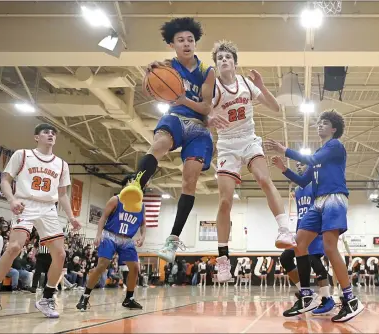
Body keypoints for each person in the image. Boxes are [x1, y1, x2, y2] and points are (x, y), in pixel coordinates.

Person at [119, 17, 216, 264]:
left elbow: (206, 107)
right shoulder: (167, 67)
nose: (186, 44)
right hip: (174, 117)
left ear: (195, 43)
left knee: (190, 179)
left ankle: (172, 240)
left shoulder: (207, 71)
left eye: (190, 40)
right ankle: (137, 186)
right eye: (181, 40)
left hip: (197, 127)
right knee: (159, 144)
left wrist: (184, 99)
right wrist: (150, 74)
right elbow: (148, 88)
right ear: (172, 44)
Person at [208, 40, 296, 282]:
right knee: (225, 201)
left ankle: (285, 231)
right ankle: (223, 259)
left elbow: (276, 107)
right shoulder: (213, 88)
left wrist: (262, 87)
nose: (224, 60)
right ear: (216, 65)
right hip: (226, 145)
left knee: (264, 179)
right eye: (220, 58)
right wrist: (210, 118)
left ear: (235, 63)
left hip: (248, 140)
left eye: (228, 57)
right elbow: (203, 117)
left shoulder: (246, 83)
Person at [266, 110, 364, 322]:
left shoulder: (334, 146)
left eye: (325, 123)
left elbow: (311, 158)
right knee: (299, 245)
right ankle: (307, 295)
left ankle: (350, 299)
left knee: (329, 248)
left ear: (334, 128)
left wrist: (285, 150)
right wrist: (285, 170)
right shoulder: (320, 153)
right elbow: (303, 181)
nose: (320, 126)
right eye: (318, 123)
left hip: (334, 198)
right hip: (318, 202)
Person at [0, 123, 81, 320]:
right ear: (36, 137)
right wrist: (12, 199)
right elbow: (4, 179)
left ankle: (47, 298)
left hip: (49, 208)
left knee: (61, 254)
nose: (50, 135)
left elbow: (62, 194)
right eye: (46, 132)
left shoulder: (62, 164)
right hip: (25, 203)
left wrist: (72, 217)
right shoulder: (22, 155)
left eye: (53, 133)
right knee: (13, 247)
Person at [273, 159, 335, 315]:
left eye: (301, 164)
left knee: (313, 259)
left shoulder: (317, 185)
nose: (299, 166)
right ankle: (306, 292)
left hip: (316, 228)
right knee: (285, 258)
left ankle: (327, 298)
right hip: (302, 228)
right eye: (297, 165)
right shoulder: (298, 190)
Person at [76, 179, 146, 311]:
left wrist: (142, 236)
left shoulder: (141, 205)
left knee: (135, 268)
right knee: (102, 265)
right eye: (130, 182)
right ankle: (85, 297)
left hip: (127, 239)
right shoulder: (116, 199)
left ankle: (129, 299)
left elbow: (143, 223)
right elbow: (103, 217)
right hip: (110, 235)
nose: (133, 184)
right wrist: (98, 234)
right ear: (125, 185)